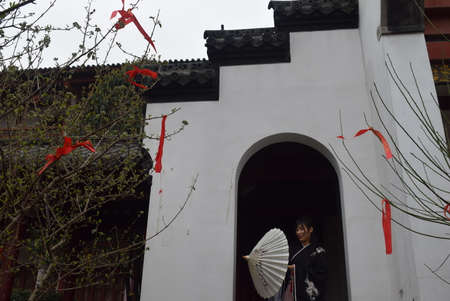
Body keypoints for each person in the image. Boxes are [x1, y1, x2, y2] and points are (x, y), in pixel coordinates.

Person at [284, 217, 327, 301]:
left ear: (310, 229)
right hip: (293, 292)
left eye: (302, 229)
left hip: (308, 294)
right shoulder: (293, 250)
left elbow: (322, 275)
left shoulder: (318, 251)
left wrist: (295, 269)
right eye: (297, 230)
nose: (299, 232)